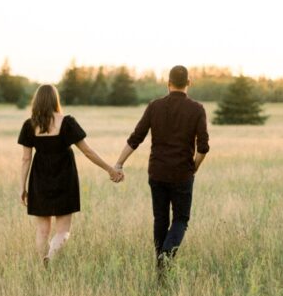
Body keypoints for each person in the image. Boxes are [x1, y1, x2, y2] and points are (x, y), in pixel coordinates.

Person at [114, 65, 209, 275]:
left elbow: (135, 138)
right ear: (189, 83)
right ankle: (165, 259)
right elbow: (203, 148)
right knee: (181, 219)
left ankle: (160, 266)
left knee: (161, 219)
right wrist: (194, 168)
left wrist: (119, 163)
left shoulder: (154, 106)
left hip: (157, 172)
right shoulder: (197, 109)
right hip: (182, 173)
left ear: (168, 83)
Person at [19, 84, 122, 264]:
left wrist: (22, 187)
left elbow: (25, 159)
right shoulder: (67, 122)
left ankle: (42, 266)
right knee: (63, 231)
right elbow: (88, 151)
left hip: (39, 181)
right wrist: (109, 169)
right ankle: (50, 257)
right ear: (55, 100)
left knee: (42, 231)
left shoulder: (29, 125)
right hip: (64, 181)